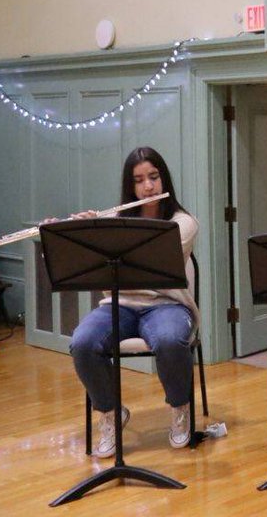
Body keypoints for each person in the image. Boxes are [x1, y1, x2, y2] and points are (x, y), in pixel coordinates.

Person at [68, 146, 200, 458]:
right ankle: (111, 412)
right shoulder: (115, 218)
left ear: (163, 179)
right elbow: (90, 263)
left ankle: (180, 408)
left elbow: (145, 262)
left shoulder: (183, 222)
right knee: (82, 342)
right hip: (120, 305)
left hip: (168, 305)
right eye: (139, 180)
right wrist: (85, 232)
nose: (148, 186)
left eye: (153, 177)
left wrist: (107, 237)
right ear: (131, 186)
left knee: (170, 340)